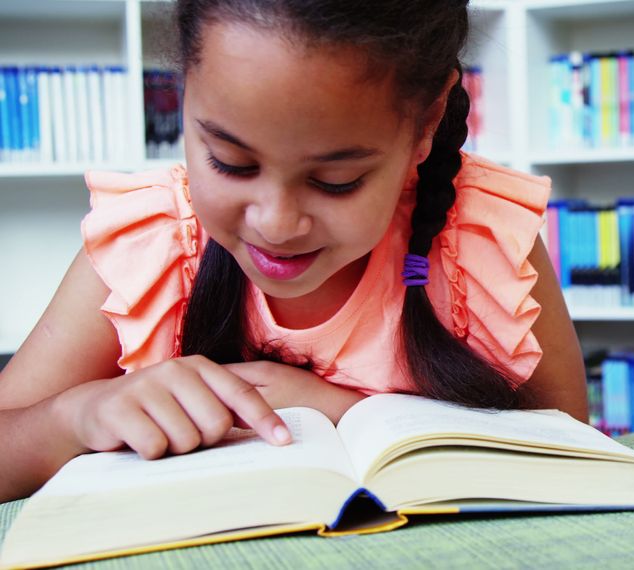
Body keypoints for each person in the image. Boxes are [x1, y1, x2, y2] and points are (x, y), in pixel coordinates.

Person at [0, 0, 587, 503]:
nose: (276, 225)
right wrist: (75, 416)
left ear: (427, 120)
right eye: (231, 163)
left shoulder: (478, 241)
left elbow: (580, 458)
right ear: (184, 92)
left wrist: (339, 409)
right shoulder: (154, 243)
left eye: (336, 181)